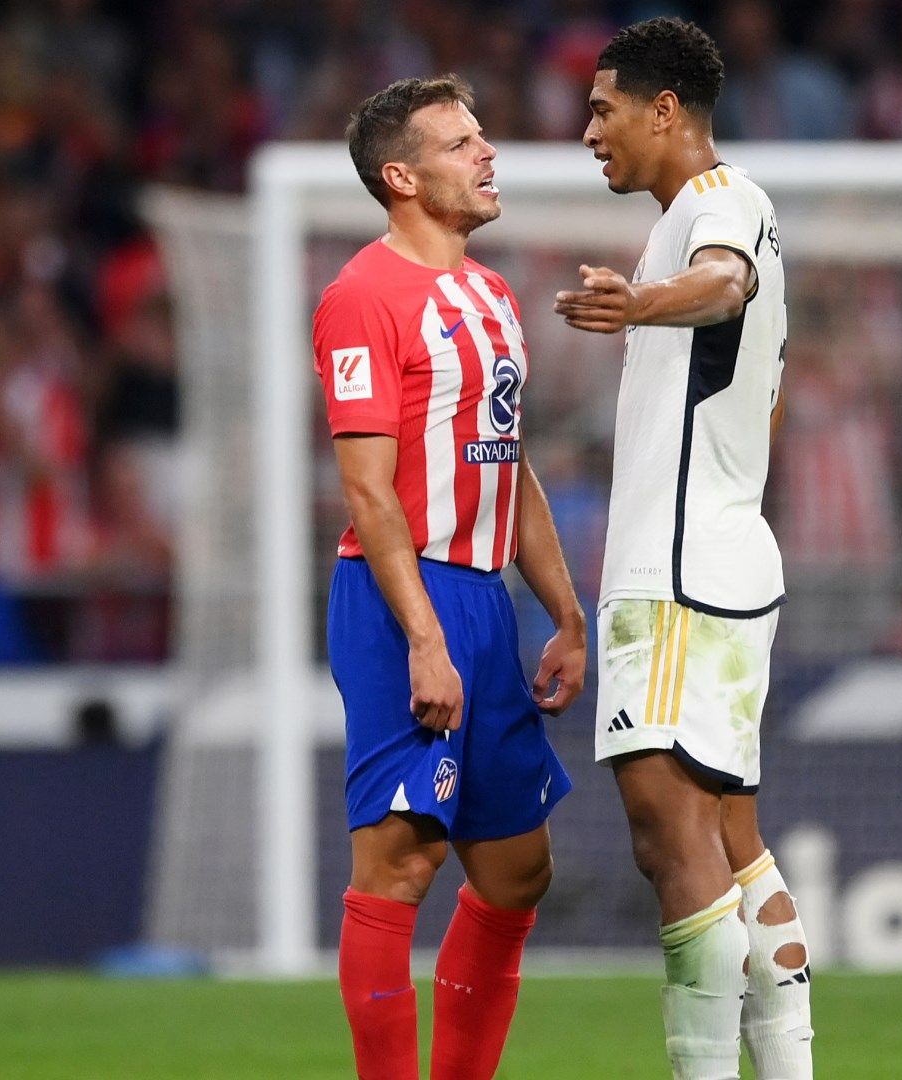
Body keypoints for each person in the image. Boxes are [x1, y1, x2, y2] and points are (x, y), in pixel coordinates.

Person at [318, 75, 589, 1080]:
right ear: (402, 176)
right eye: (460, 143)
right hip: (403, 600)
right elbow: (368, 489)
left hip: (488, 602)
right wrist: (425, 636)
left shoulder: (491, 295)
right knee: (401, 860)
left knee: (518, 870)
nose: (487, 155)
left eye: (484, 136)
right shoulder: (360, 297)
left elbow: (508, 466)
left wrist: (562, 611)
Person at [557, 18, 809, 1080]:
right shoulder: (697, 213)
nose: (588, 132)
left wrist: (638, 305)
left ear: (667, 111)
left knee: (670, 840)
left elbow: (723, 284)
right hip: (719, 557)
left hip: (676, 575)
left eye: (605, 109)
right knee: (732, 841)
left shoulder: (719, 204)